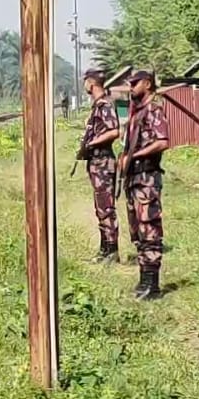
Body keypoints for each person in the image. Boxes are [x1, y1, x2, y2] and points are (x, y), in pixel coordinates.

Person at [119, 69, 171, 299]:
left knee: (149, 229)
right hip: (134, 179)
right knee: (137, 231)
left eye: (134, 83)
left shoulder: (153, 109)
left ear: (147, 84)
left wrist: (136, 155)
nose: (131, 87)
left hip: (147, 178)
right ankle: (143, 280)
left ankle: (153, 284)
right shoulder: (136, 112)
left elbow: (163, 141)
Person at [80, 68, 122, 262]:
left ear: (92, 83)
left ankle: (112, 251)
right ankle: (104, 249)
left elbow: (114, 131)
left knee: (106, 208)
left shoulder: (104, 105)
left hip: (103, 161)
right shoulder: (97, 106)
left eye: (86, 81)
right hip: (96, 162)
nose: (84, 85)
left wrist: (93, 142)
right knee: (101, 207)